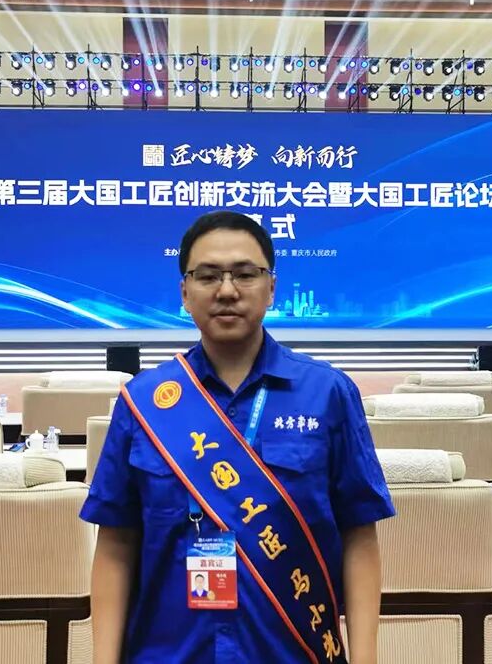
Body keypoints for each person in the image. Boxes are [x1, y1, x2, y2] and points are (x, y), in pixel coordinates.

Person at [81, 210, 395, 664]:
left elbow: (359, 537)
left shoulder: (327, 393)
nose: (227, 290)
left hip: (292, 652)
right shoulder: (144, 402)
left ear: (272, 287)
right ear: (184, 293)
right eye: (208, 276)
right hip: (168, 654)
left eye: (245, 274)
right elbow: (115, 546)